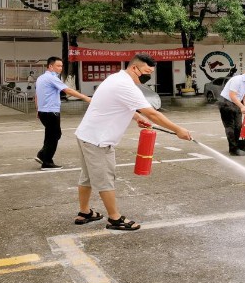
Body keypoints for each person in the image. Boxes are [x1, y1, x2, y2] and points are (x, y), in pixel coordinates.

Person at [74, 53, 192, 231]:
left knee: (87, 177)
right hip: (98, 140)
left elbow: (120, 104)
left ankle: (84, 212)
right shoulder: (126, 85)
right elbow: (152, 113)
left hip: (86, 135)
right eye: (145, 71)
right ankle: (114, 219)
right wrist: (177, 130)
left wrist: (136, 117)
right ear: (134, 68)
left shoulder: (115, 78)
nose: (147, 76)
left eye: (150, 72)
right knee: (106, 179)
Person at [34, 57, 91, 170]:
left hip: (44, 111)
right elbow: (67, 90)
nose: (61, 68)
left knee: (52, 135)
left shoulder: (41, 78)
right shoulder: (52, 78)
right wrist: (86, 98)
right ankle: (47, 162)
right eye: (58, 66)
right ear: (50, 66)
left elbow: (36, 95)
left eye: (61, 66)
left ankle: (42, 155)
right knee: (54, 136)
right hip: (51, 112)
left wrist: (38, 109)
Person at [218, 65, 245, 156]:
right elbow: (232, 95)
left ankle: (239, 146)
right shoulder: (237, 80)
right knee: (230, 127)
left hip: (237, 103)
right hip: (226, 102)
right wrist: (241, 106)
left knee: (239, 126)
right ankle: (233, 149)